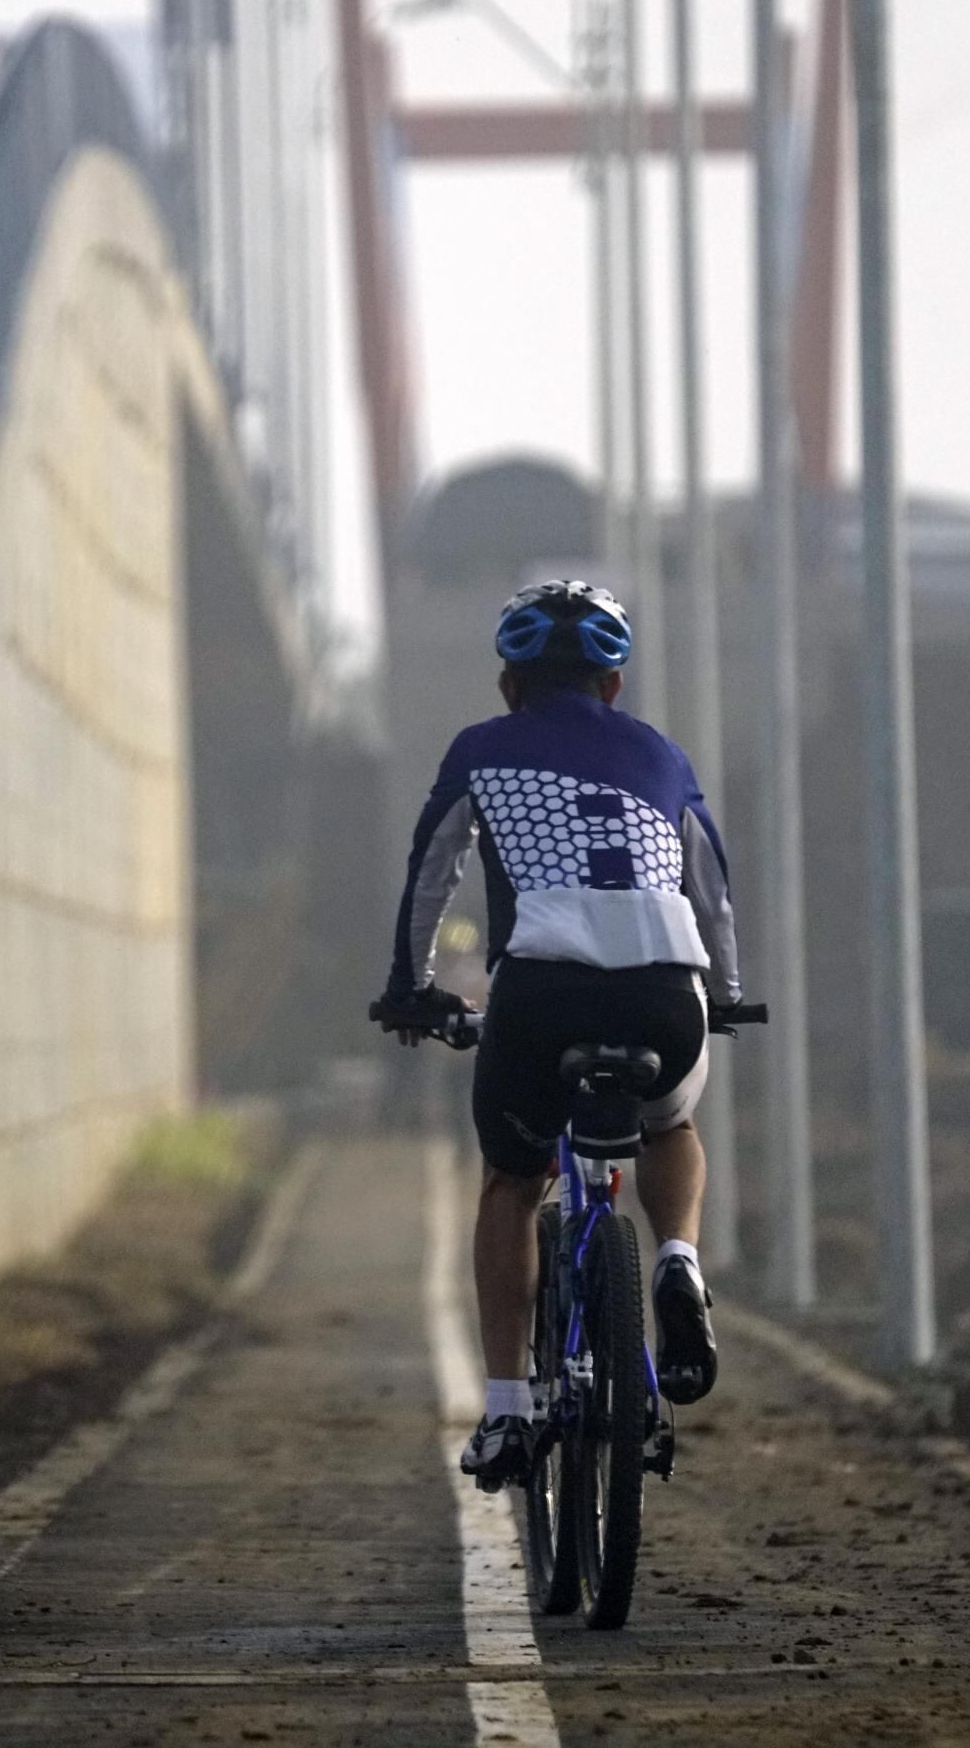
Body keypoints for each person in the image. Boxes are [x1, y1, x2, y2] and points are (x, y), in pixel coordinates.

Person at [371, 581, 739, 1492]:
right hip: (667, 990)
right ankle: (679, 1262)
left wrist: (410, 990)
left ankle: (506, 1412)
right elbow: (712, 889)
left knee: (511, 1179)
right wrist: (726, 995)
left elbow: (431, 874)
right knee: (670, 1126)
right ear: (614, 686)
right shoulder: (662, 753)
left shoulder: (481, 749)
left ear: (510, 685)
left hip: (540, 990)